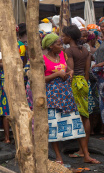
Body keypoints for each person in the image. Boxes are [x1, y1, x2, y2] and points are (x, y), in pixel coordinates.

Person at [42, 33, 98, 165]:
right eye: (58, 44)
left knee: (76, 124)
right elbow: (39, 78)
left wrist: (70, 71)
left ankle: (86, 155)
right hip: (52, 95)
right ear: (50, 46)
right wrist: (57, 74)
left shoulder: (62, 55)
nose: (61, 46)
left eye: (61, 43)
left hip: (66, 94)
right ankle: (58, 157)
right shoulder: (43, 59)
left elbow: (68, 68)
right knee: (54, 126)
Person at [62, 25, 92, 147]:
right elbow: (87, 71)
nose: (62, 38)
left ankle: (81, 149)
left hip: (74, 82)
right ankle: (84, 147)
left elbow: (71, 70)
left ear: (69, 37)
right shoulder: (85, 51)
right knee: (85, 115)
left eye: (63, 36)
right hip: (84, 82)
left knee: (78, 116)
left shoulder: (69, 51)